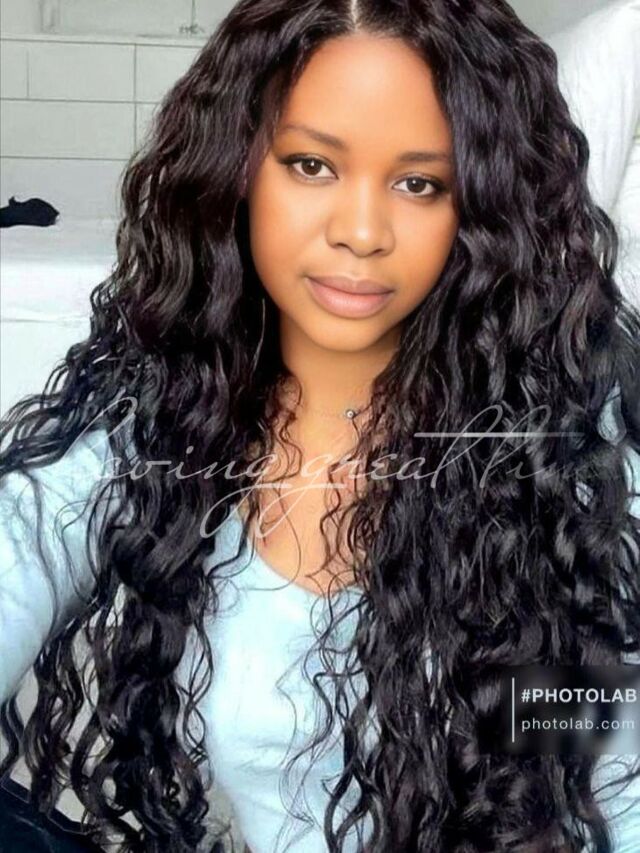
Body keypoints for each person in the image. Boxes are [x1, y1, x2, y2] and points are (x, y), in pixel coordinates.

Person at [1, 0, 639, 851]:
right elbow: (23, 537)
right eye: (311, 165)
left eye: (419, 183)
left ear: (479, 208)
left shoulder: (569, 462)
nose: (361, 233)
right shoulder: (162, 420)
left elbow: (618, 791)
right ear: (238, 168)